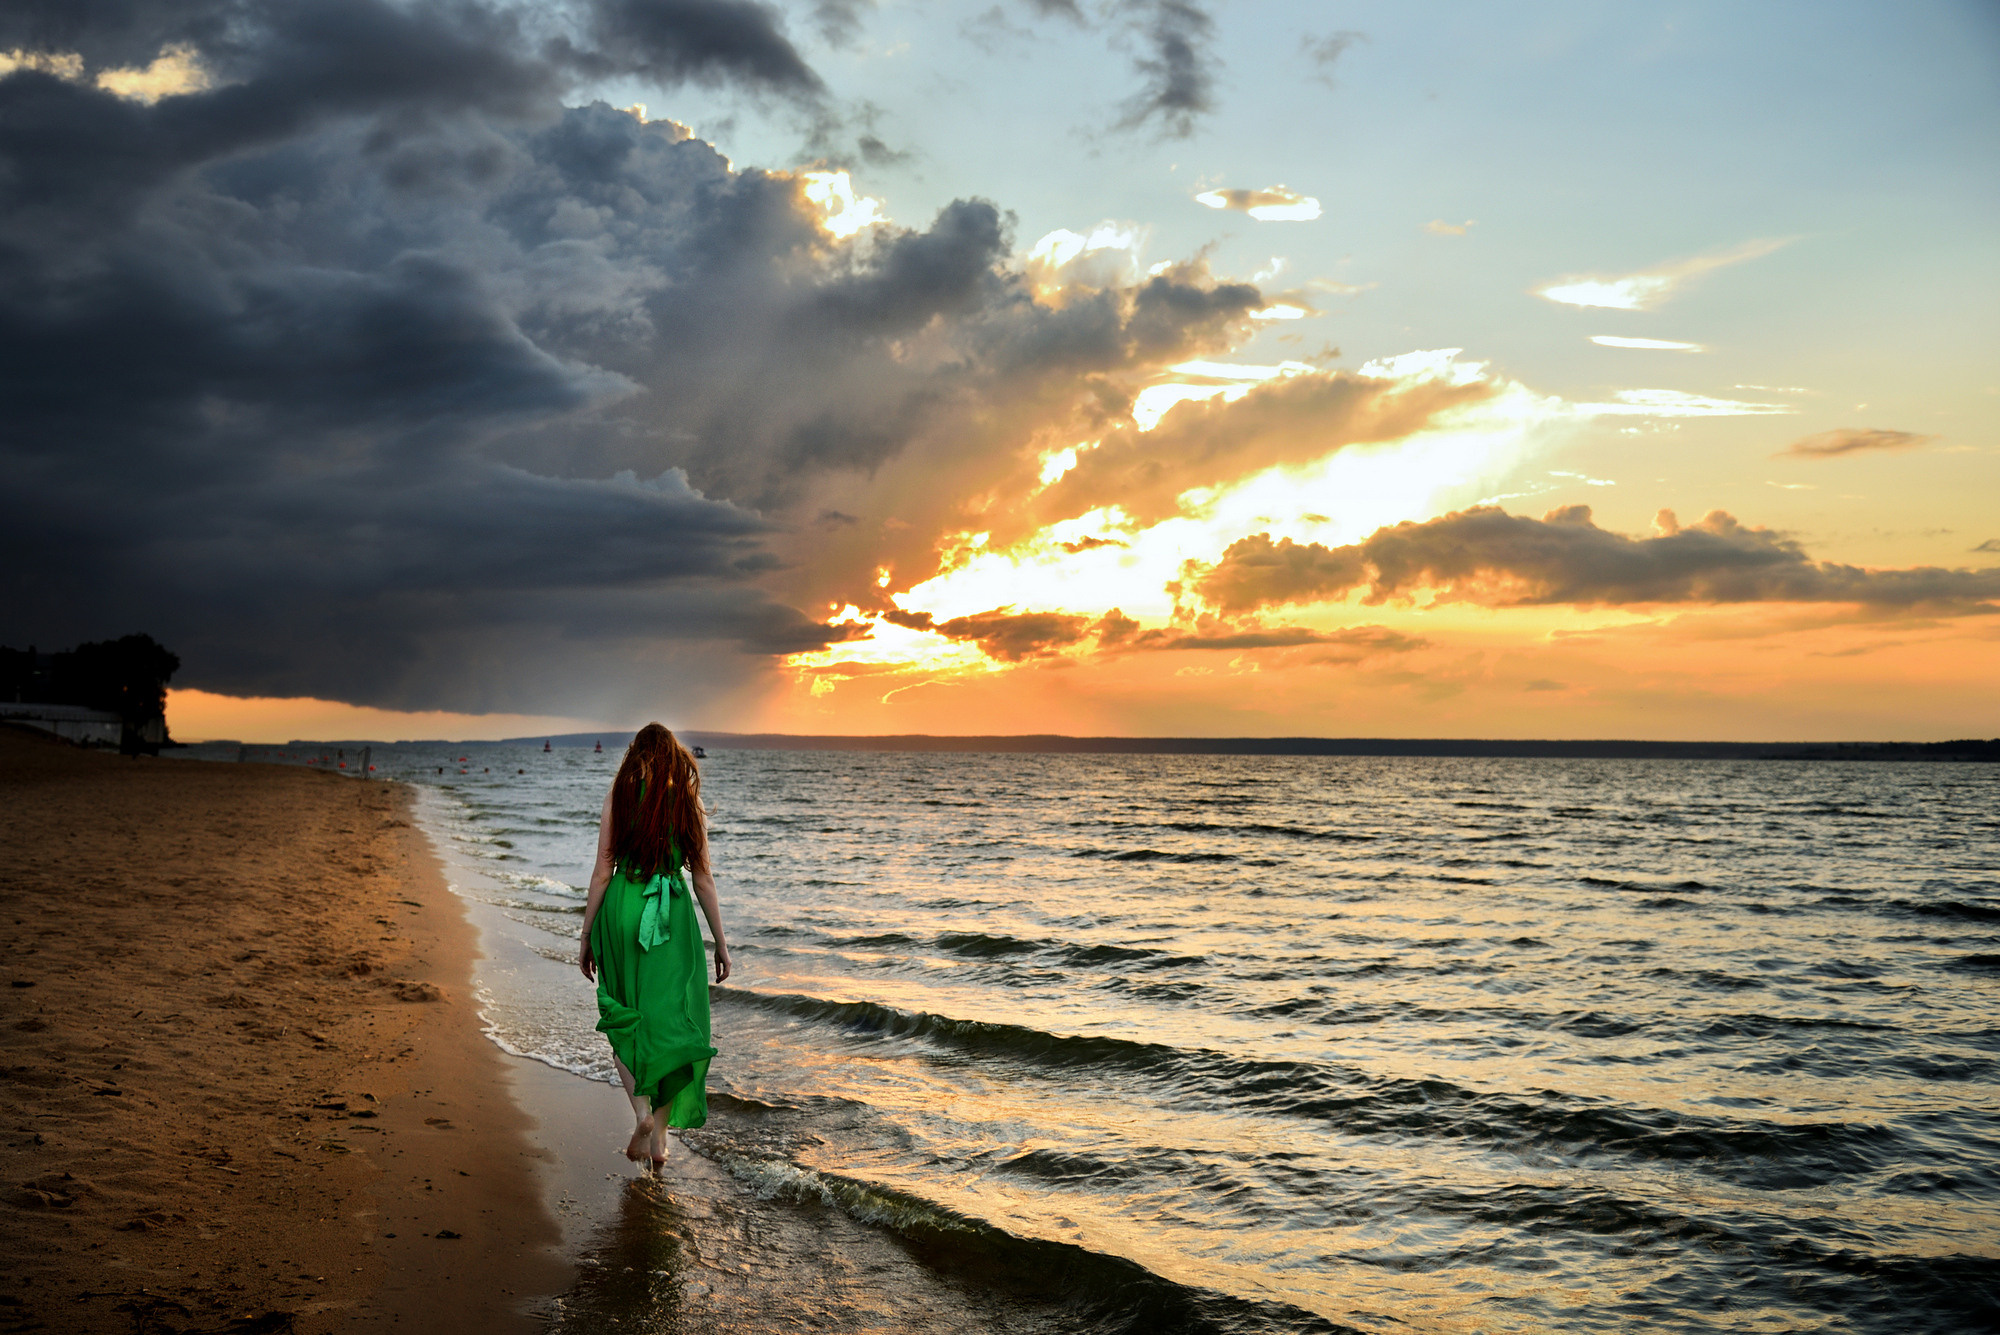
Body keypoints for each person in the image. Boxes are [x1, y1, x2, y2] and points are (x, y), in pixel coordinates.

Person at [578, 724, 732, 1169]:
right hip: (671, 916)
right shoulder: (688, 801)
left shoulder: (620, 795)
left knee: (623, 1015)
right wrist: (721, 943)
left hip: (622, 906)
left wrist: (586, 935)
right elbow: (702, 879)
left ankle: (647, 1121)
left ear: (635, 755)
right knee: (673, 1025)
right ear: (675, 757)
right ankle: (659, 1135)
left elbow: (602, 870)